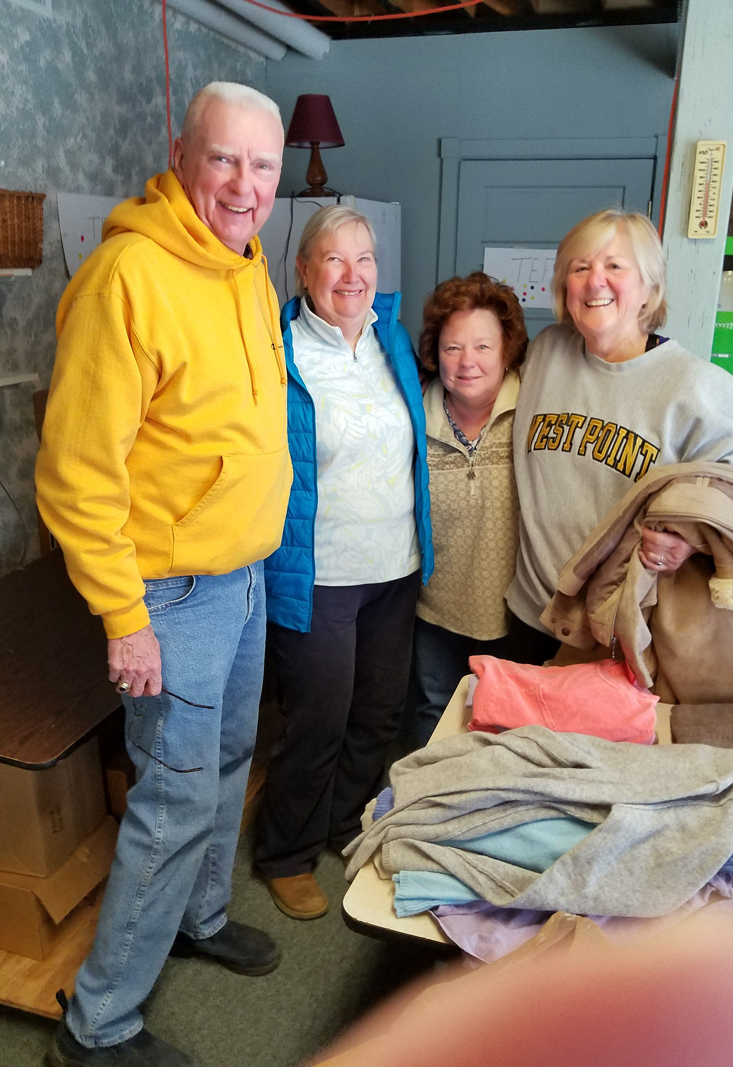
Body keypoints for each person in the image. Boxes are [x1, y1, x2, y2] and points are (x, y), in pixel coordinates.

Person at [36, 82, 290, 1067]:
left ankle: (197, 914)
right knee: (173, 798)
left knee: (228, 766)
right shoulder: (125, 277)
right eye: (224, 158)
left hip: (243, 577)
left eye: (261, 165)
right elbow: (76, 472)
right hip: (173, 596)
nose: (244, 184)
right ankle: (95, 1021)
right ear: (181, 154)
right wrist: (123, 618)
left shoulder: (246, 266)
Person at [254, 205, 433, 920]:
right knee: (320, 714)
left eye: (364, 260)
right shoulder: (280, 348)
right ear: (303, 270)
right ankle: (284, 853)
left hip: (395, 562)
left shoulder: (392, 339)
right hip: (319, 569)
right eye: (334, 259)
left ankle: (343, 822)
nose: (352, 275)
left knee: (377, 709)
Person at [506, 207, 733, 665]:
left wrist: (691, 539)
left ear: (650, 287)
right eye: (580, 267)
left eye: (615, 266)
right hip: (530, 616)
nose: (594, 281)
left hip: (621, 633)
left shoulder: (698, 388)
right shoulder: (545, 352)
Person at [403, 272, 527, 748]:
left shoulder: (536, 408)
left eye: (483, 347)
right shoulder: (412, 412)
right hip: (435, 606)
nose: (467, 362)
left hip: (516, 606)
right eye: (453, 348)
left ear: (507, 351)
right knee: (433, 711)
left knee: (508, 724)